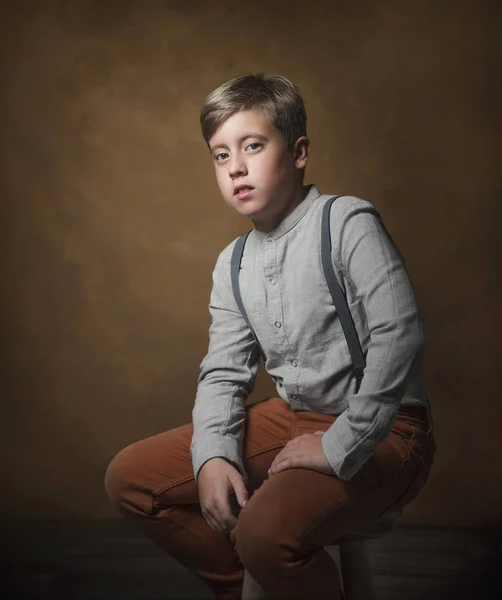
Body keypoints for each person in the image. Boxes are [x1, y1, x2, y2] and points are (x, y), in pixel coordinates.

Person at [105, 73, 436, 600]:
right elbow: (223, 372)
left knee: (263, 533)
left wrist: (339, 443)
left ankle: (277, 567)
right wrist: (212, 454)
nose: (235, 166)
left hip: (389, 428)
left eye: (252, 146)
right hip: (292, 418)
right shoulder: (232, 263)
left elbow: (401, 333)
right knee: (131, 478)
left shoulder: (346, 221)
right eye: (220, 155)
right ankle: (265, 587)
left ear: (299, 151)